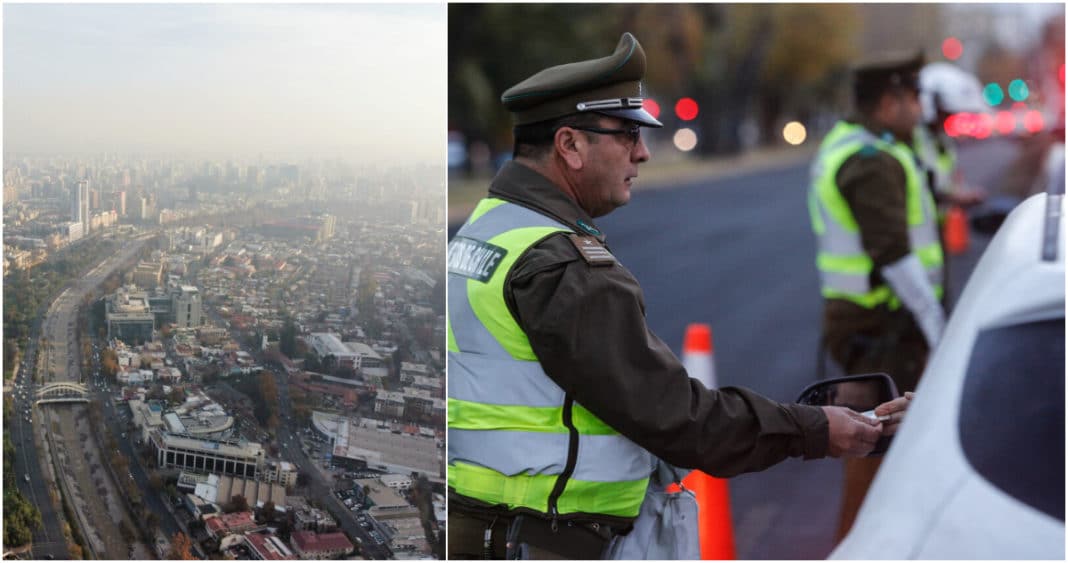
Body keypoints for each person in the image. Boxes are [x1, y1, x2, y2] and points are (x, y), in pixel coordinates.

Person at [448, 32, 909, 560]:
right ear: (569, 145)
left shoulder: (487, 228)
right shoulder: (563, 266)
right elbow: (678, 418)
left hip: (484, 530)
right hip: (547, 541)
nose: (643, 152)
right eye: (625, 135)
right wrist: (814, 429)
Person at [807, 51, 943, 541]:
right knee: (878, 445)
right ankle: (857, 547)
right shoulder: (870, 160)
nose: (919, 109)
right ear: (890, 101)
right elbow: (892, 252)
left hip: (875, 322)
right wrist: (938, 328)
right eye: (913, 98)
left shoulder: (863, 146)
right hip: (883, 327)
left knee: (886, 444)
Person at [914, 62, 988, 208]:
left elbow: (946, 181)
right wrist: (953, 198)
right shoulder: (912, 141)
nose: (950, 119)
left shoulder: (941, 140)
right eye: (947, 114)